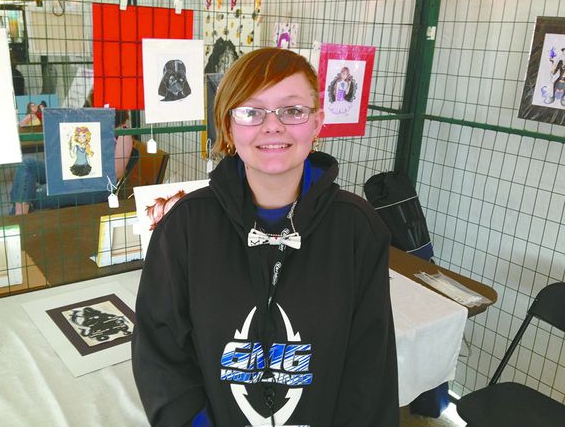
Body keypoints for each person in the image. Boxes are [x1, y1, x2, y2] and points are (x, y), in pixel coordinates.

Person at [132, 48, 399, 426]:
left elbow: (369, 366)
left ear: (317, 123)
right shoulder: (185, 226)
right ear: (228, 126)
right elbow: (159, 349)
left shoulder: (358, 229)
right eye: (251, 111)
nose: (272, 126)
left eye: (292, 110)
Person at [10, 110, 133, 214]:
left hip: (96, 186)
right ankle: (20, 219)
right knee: (28, 164)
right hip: (75, 175)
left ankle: (19, 223)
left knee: (31, 195)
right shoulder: (99, 126)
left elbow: (117, 172)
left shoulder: (123, 133)